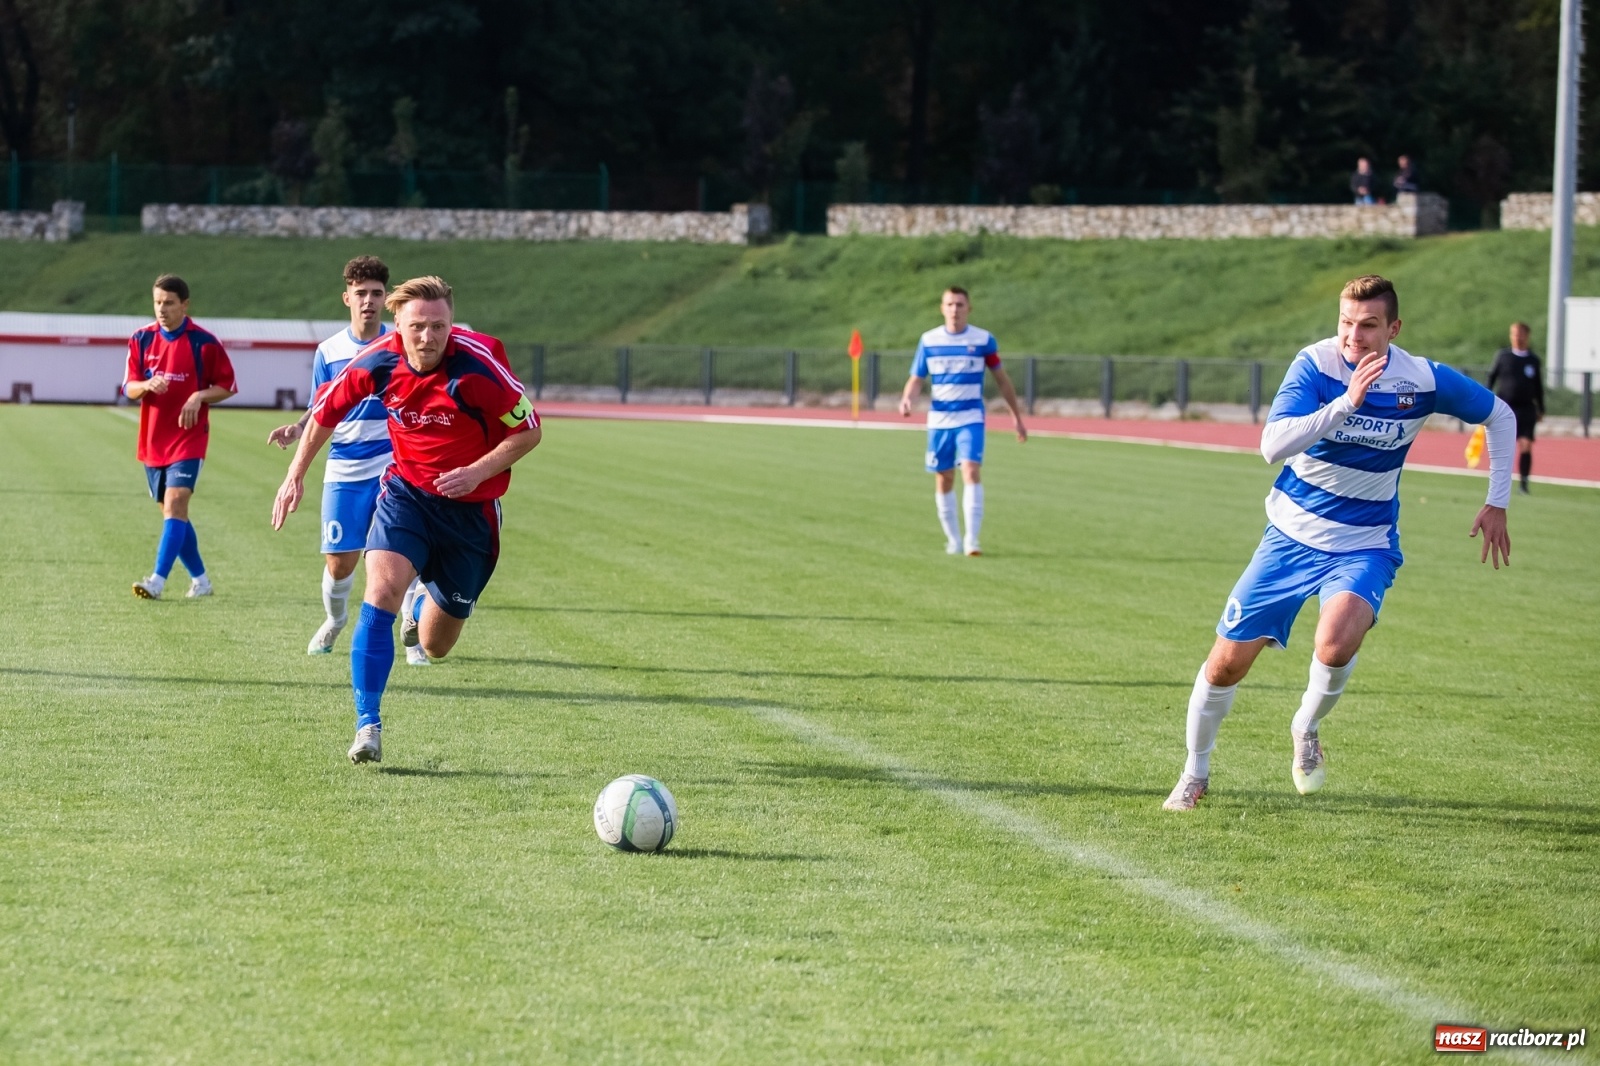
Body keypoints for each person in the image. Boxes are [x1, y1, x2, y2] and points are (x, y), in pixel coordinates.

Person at [1162, 275, 1514, 811]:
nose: (1354, 335)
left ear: (1394, 329)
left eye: (1369, 325)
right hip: (1289, 538)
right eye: (1347, 322)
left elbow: (1500, 415)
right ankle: (1195, 771)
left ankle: (1305, 725)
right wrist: (1347, 403)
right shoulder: (1315, 365)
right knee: (1226, 665)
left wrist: (1497, 501)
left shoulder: (1422, 379)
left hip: (1365, 544)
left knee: (1335, 644)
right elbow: (1272, 445)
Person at [271, 276, 541, 764]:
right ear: (397, 324)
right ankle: (367, 725)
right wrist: (295, 475)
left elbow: (529, 431)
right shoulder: (377, 361)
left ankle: (421, 610)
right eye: (417, 326)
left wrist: (476, 472)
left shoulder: (480, 368)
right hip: (406, 496)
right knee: (380, 594)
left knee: (436, 646)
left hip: (471, 514)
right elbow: (325, 414)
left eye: (438, 326)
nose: (428, 337)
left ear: (451, 324)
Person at [268, 256, 428, 663]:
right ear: (347, 298)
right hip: (344, 467)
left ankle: (412, 638)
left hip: (394, 466)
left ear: (387, 299)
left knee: (401, 553)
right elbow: (320, 404)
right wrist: (298, 428)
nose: (368, 301)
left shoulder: (402, 344)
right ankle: (335, 620)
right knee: (340, 564)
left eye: (376, 293)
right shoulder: (329, 351)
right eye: (361, 294)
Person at [123, 274, 238, 600]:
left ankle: (156, 581)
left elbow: (228, 386)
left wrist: (199, 396)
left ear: (184, 305)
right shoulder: (141, 339)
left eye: (169, 303)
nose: (162, 309)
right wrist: (146, 385)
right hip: (153, 440)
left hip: (189, 439)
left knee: (175, 504)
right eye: (157, 302)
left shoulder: (204, 342)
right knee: (174, 514)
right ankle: (201, 581)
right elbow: (129, 387)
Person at [897, 286, 1027, 556]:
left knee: (970, 469)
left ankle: (972, 540)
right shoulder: (929, 341)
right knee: (944, 478)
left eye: (959, 304)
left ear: (969, 308)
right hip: (940, 420)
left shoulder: (983, 340)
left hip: (971, 417)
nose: (954, 309)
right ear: (942, 308)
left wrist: (1016, 417)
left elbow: (1002, 380)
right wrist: (907, 398)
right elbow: (917, 378)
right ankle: (953, 539)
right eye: (950, 304)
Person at [1486, 322, 1545, 494]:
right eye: (1514, 334)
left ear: (1527, 336)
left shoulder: (1533, 360)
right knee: (1504, 448)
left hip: (1526, 408)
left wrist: (1541, 408)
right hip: (1506, 407)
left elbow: (1538, 386)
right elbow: (1491, 378)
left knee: (1526, 445)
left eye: (1520, 334)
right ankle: (1499, 484)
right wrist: (1486, 401)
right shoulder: (1503, 356)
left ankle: (1524, 484)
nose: (1517, 337)